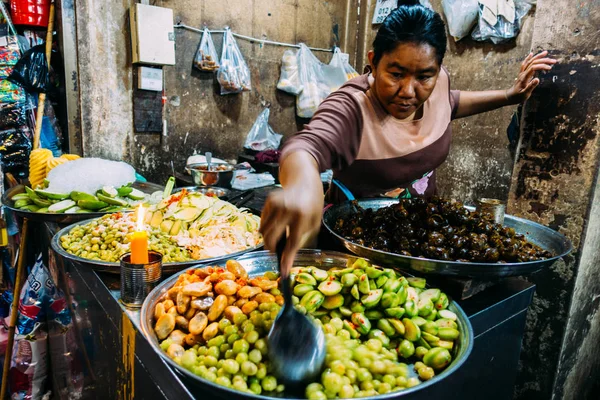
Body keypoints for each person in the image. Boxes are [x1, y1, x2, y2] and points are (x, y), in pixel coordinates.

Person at [260, 0, 557, 272]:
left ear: (437, 70)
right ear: (374, 61)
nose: (408, 92)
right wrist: (301, 189)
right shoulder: (353, 106)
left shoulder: (437, 82)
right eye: (396, 74)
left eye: (423, 77)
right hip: (360, 251)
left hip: (424, 244)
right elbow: (306, 146)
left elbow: (449, 103)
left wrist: (509, 96)